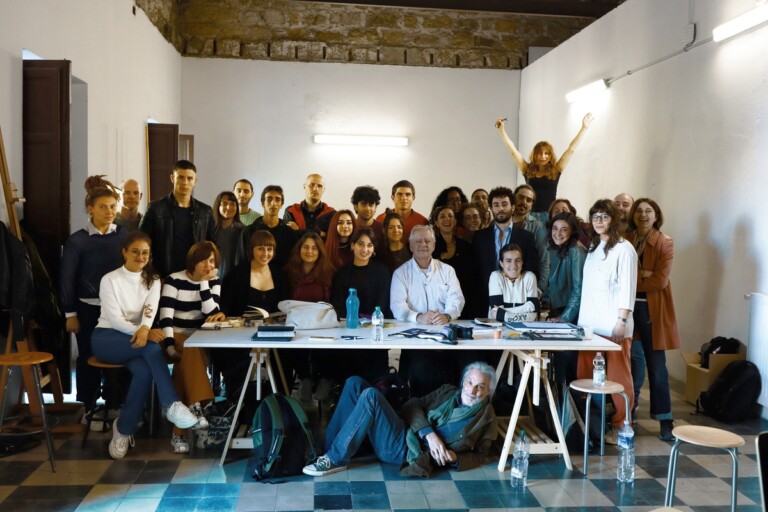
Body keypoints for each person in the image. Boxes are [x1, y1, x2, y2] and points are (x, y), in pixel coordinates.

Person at [91, 232, 200, 459]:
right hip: (107, 338)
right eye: (135, 252)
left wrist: (145, 329)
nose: (140, 257)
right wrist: (142, 332)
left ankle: (123, 430)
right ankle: (171, 404)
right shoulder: (109, 279)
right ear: (124, 252)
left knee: (143, 372)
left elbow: (150, 311)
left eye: (145, 253)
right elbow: (114, 319)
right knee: (151, 348)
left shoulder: (152, 280)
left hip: (137, 340)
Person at [302, 362, 497, 478]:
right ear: (463, 381)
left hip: (406, 450)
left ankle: (335, 459)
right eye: (470, 382)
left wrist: (456, 459)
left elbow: (481, 455)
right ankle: (329, 448)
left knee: (371, 395)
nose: (472, 391)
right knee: (354, 383)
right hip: (404, 429)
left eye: (480, 386)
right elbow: (412, 405)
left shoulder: (486, 419)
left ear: (488, 390)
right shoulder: (448, 391)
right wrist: (429, 434)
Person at [60, 176, 128, 409]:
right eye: (102, 207)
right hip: (87, 307)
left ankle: (114, 404)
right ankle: (88, 406)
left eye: (112, 206)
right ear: (90, 209)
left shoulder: (123, 236)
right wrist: (70, 314)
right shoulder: (77, 241)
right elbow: (67, 279)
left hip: (118, 308)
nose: (109, 211)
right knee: (88, 355)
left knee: (116, 354)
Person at [577, 199, 637, 443]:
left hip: (614, 327)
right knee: (586, 379)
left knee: (617, 380)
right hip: (589, 327)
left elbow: (628, 288)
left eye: (604, 216)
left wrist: (621, 320)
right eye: (595, 216)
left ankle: (622, 425)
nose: (599, 221)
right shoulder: (592, 248)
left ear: (614, 219)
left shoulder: (624, 249)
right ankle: (591, 428)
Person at [159, 241, 226, 453]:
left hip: (199, 337)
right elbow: (166, 317)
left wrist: (204, 283)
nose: (208, 265)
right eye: (203, 260)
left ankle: (182, 428)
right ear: (193, 261)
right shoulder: (174, 280)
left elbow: (210, 312)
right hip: (174, 335)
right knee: (188, 353)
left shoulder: (214, 281)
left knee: (188, 360)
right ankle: (195, 409)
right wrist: (169, 345)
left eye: (212, 261)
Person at [625, 198, 680, 442]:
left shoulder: (665, 242)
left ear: (656, 215)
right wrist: (644, 274)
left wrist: (635, 277)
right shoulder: (627, 239)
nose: (643, 215)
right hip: (627, 310)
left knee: (657, 368)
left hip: (651, 312)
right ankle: (628, 414)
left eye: (648, 211)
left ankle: (665, 419)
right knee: (631, 365)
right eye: (639, 211)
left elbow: (660, 281)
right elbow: (620, 276)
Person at [391, 225, 465, 395]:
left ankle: (449, 409)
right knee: (422, 369)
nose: (423, 244)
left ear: (433, 245)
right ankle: (422, 410)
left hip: (446, 337)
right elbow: (397, 306)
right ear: (410, 246)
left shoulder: (447, 271)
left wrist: (447, 315)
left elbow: (457, 298)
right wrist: (417, 317)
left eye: (427, 241)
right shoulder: (401, 273)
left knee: (462, 365)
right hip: (415, 340)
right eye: (418, 241)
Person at [221, 231, 290, 397]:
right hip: (241, 335)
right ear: (251, 249)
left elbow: (287, 305)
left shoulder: (279, 274)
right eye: (260, 249)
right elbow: (225, 307)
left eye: (269, 249)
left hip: (273, 334)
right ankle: (242, 401)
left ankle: (278, 402)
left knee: (287, 357)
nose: (265, 254)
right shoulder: (237, 274)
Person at [495, 113, 593, 221]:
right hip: (529, 215)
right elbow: (513, 151)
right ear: (534, 155)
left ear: (551, 156)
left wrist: (584, 128)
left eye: (546, 153)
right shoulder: (527, 169)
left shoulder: (556, 170)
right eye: (540, 153)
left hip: (550, 215)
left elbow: (571, 149)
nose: (543, 156)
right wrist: (501, 131)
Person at [325, 228, 390, 383]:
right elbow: (338, 305)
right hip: (348, 331)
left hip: (373, 332)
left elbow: (383, 304)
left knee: (374, 376)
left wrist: (367, 321)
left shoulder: (382, 272)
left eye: (369, 245)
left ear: (374, 249)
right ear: (352, 245)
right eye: (361, 244)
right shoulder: (341, 273)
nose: (365, 249)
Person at [470, 186, 538, 319]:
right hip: (483, 299)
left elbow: (531, 266)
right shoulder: (479, 237)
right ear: (491, 208)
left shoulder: (527, 237)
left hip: (515, 301)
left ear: (512, 207)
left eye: (504, 204)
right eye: (496, 205)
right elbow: (474, 271)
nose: (500, 208)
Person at [139, 160, 216, 277]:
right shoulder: (155, 208)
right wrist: (151, 272)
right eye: (180, 177)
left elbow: (212, 246)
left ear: (195, 181)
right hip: (164, 274)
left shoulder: (205, 211)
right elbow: (142, 242)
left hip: (195, 274)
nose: (185, 182)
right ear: (172, 178)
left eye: (189, 178)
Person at [283, 232, 335, 400]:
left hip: (322, 323)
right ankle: (304, 378)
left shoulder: (329, 271)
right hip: (296, 323)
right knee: (294, 347)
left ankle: (326, 379)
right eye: (306, 247)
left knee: (325, 348)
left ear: (320, 251)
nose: (310, 251)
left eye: (314, 248)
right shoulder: (288, 271)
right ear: (299, 249)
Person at [546, 212, 587, 385]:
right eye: (555, 228)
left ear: (572, 232)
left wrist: (565, 318)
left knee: (568, 367)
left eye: (564, 229)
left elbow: (578, 290)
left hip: (570, 314)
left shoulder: (575, 250)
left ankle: (570, 410)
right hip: (558, 311)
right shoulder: (554, 248)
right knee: (557, 367)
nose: (558, 233)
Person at [237, 185, 298, 269]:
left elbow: (293, 264)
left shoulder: (289, 234)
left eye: (277, 200)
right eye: (269, 199)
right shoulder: (248, 232)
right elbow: (241, 263)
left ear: (281, 204)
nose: (273, 203)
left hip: (280, 280)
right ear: (263, 203)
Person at [430, 205, 472, 316]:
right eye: (442, 216)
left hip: (465, 300)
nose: (447, 219)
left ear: (455, 221)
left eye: (450, 216)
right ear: (437, 223)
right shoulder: (431, 247)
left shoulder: (466, 246)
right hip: (439, 303)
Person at [509, 184, 550, 297]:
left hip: (527, 288)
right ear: (513, 198)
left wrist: (540, 288)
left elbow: (544, 260)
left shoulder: (538, 227)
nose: (524, 202)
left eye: (529, 200)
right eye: (521, 197)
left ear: (531, 206)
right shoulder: (500, 223)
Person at [488, 244, 539, 323]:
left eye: (517, 260)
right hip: (499, 328)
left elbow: (532, 316)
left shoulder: (529, 277)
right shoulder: (495, 276)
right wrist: (528, 307)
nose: (513, 265)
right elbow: (495, 314)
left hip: (524, 329)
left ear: (522, 262)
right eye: (508, 260)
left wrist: (504, 314)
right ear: (501, 263)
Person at [284, 173, 335, 238]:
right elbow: (289, 237)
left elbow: (332, 238)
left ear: (323, 190)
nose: (315, 189)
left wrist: (298, 231)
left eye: (319, 186)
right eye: (311, 185)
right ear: (304, 187)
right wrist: (320, 233)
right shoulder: (290, 211)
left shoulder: (332, 214)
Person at [212, 191, 244, 280]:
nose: (228, 207)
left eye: (232, 204)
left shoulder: (243, 231)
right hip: (211, 278)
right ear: (218, 206)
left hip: (235, 279)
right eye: (224, 204)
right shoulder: (209, 230)